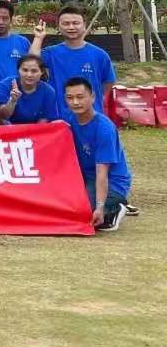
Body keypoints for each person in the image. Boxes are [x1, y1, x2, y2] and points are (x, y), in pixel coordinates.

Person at [62, 76, 132, 232]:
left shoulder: (104, 129)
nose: (75, 102)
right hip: (86, 178)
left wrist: (100, 207)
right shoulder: (70, 119)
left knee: (82, 210)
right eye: (70, 98)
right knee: (61, 204)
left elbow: (102, 173)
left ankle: (114, 207)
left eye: (80, 97)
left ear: (92, 97)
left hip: (112, 181)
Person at [35, 6, 117, 117]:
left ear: (84, 25)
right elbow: (31, 62)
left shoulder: (100, 55)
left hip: (90, 118)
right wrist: (38, 38)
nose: (71, 27)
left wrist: (97, 97)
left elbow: (108, 82)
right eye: (66, 23)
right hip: (59, 118)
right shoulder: (51, 53)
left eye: (76, 23)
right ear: (58, 26)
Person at [0, 54, 58, 124]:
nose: (29, 75)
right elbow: (3, 116)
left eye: (34, 71)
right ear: (18, 70)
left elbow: (45, 118)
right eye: (25, 70)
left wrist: (32, 130)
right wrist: (12, 101)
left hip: (37, 128)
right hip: (9, 128)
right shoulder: (5, 85)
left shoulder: (49, 91)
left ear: (42, 72)